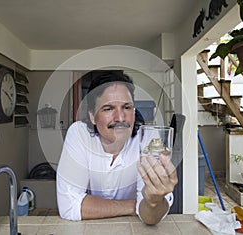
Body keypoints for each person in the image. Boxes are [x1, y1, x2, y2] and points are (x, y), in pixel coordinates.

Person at [56, 71, 178, 225]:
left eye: (127, 107)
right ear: (92, 116)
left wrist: (153, 201)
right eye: (108, 108)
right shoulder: (79, 134)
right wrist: (135, 206)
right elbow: (69, 207)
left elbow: (150, 217)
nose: (120, 118)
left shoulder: (148, 141)